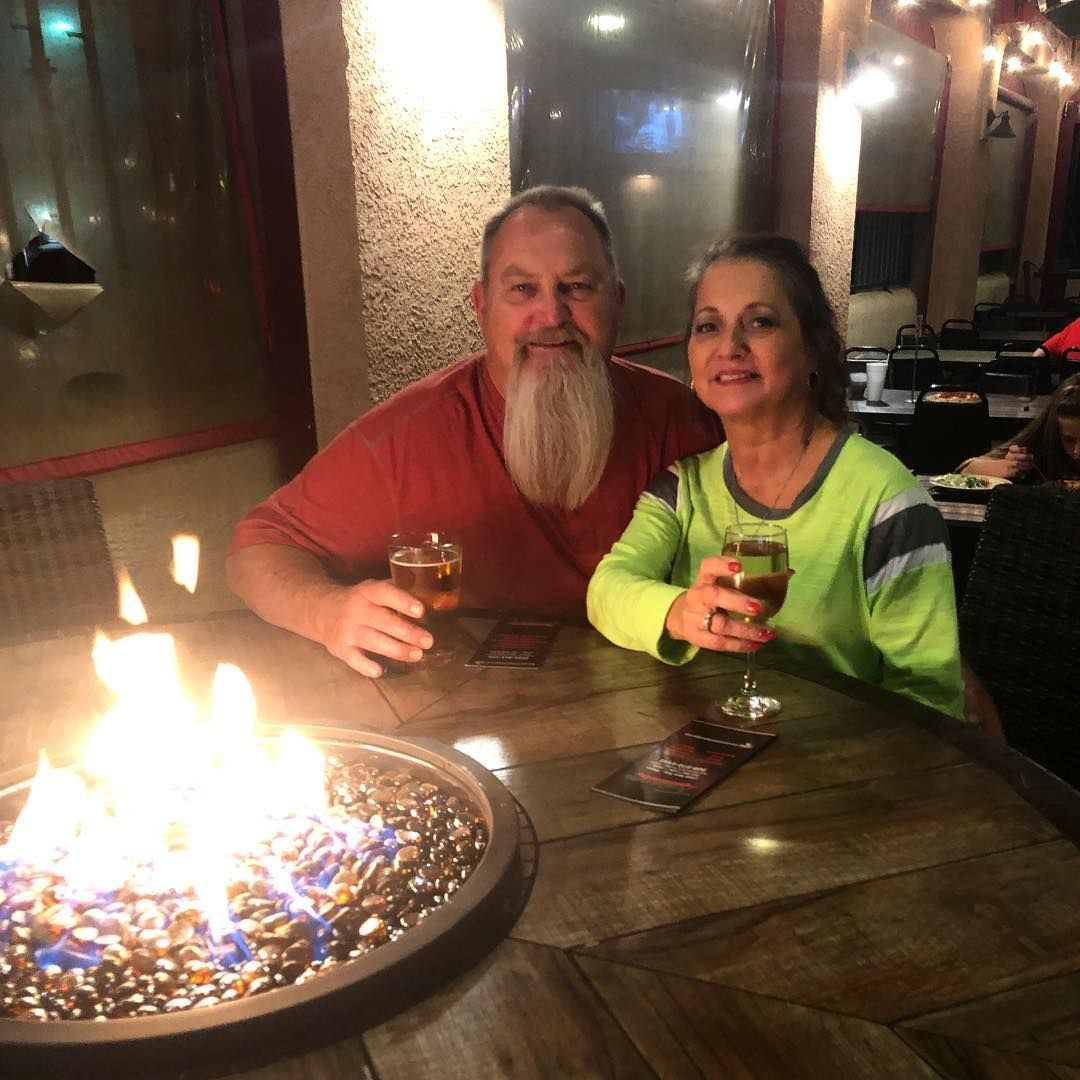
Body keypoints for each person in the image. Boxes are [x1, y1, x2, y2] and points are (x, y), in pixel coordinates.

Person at [227, 186, 721, 677]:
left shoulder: (680, 416)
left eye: (577, 287)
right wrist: (327, 612)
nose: (551, 316)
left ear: (617, 301)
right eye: (522, 289)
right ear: (481, 305)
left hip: (655, 696)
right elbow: (258, 547)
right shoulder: (408, 438)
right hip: (471, 704)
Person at [587, 235, 965, 719]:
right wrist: (679, 611)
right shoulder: (682, 487)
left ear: (812, 348)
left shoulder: (887, 503)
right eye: (708, 326)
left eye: (759, 322)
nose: (729, 346)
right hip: (707, 747)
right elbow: (606, 589)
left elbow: (931, 702)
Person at [959, 373, 1080, 482]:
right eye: (1069, 440)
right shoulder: (1041, 445)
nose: (1077, 452)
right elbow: (965, 471)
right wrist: (1008, 466)